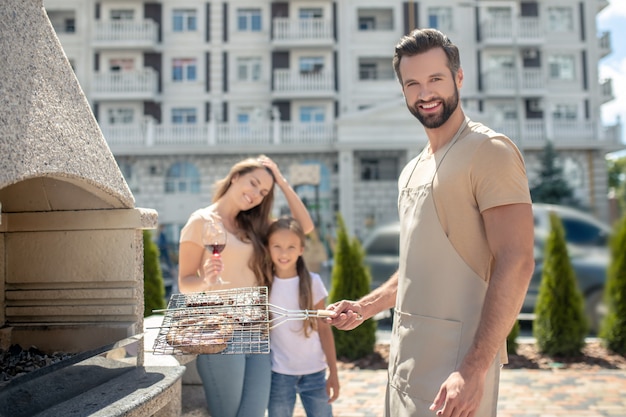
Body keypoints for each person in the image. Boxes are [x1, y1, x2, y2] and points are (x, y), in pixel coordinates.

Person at [326, 28, 535, 417]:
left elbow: (517, 261)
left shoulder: (490, 152)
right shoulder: (412, 169)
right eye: (413, 83)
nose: (425, 93)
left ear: (458, 78)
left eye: (436, 78)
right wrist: (366, 306)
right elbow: (415, 267)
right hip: (405, 357)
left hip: (455, 369)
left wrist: (473, 370)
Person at [178, 155, 314, 417]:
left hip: (257, 330)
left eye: (263, 192)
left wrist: (281, 182)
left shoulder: (254, 225)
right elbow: (185, 283)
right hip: (221, 332)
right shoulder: (200, 221)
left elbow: (304, 227)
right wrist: (206, 280)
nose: (255, 194)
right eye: (252, 183)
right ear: (235, 176)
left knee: (253, 413)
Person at [265, 216, 339, 417]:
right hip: (279, 375)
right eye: (277, 246)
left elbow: (324, 329)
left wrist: (333, 371)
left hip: (315, 373)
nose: (283, 253)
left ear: (301, 249)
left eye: (291, 247)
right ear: (268, 248)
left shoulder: (313, 282)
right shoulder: (264, 286)